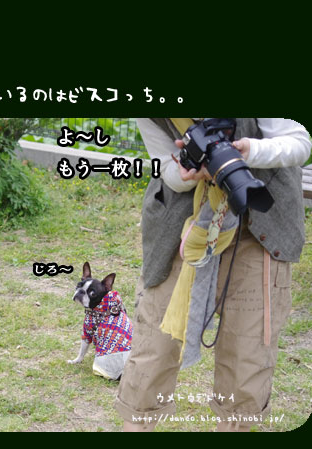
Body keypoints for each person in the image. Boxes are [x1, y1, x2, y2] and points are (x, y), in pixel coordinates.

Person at [114, 118, 311, 432]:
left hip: (259, 224)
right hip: (183, 226)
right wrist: (186, 173)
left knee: (247, 358)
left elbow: (299, 142)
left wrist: (247, 152)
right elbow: (164, 163)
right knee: (153, 349)